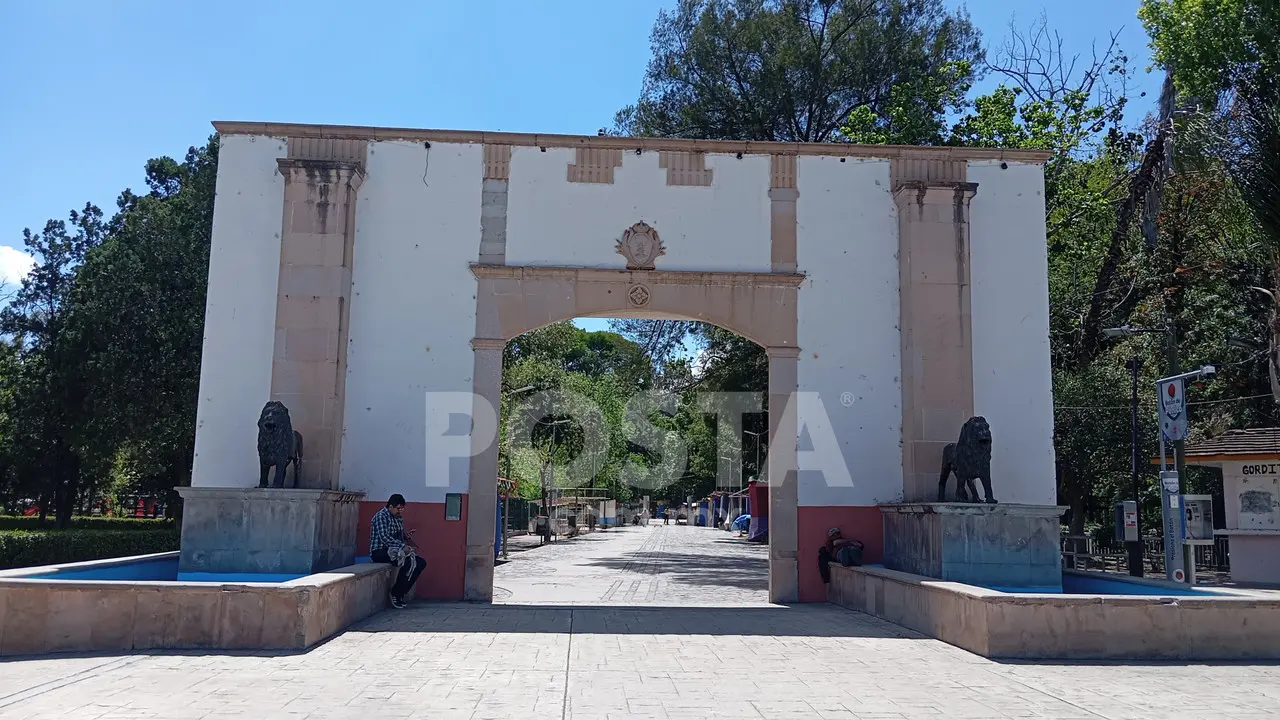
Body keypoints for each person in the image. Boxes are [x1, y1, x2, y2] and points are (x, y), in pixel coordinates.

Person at [370, 494, 426, 608]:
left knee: (420, 562)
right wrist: (402, 546)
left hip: (395, 550)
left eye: (402, 508)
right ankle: (395, 593)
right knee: (408, 562)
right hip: (380, 551)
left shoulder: (398, 518)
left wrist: (405, 536)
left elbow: (398, 536)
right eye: (398, 508)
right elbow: (384, 537)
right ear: (390, 506)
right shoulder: (381, 516)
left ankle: (401, 592)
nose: (400, 511)